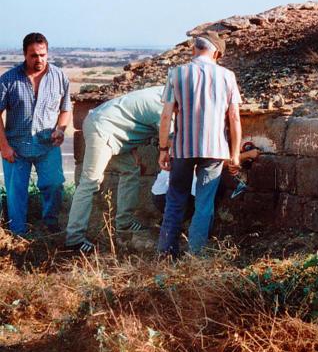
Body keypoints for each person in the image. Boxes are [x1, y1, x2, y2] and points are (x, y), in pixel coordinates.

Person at [157, 32, 242, 258]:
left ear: (194, 49)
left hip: (183, 148)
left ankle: (166, 255)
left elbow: (166, 116)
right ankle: (196, 258)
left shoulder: (176, 74)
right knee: (204, 205)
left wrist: (163, 148)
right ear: (216, 52)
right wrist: (234, 155)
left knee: (175, 200)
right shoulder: (228, 76)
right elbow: (234, 118)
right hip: (215, 149)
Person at [64, 86, 166, 251]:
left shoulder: (163, 92)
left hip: (111, 128)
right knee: (90, 182)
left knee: (131, 169)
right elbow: (169, 139)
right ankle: (74, 239)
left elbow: (132, 117)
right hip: (102, 129)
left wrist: (131, 147)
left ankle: (124, 223)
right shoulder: (164, 105)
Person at [0, 33, 72, 235]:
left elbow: (66, 109)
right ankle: (18, 235)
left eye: (42, 54)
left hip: (47, 146)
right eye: (33, 55)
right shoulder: (8, 80)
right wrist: (4, 147)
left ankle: (50, 226)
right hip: (16, 148)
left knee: (54, 185)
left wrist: (60, 129)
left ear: (47, 53)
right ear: (24, 54)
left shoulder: (59, 77)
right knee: (16, 194)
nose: (38, 59)